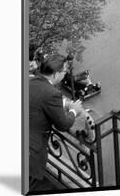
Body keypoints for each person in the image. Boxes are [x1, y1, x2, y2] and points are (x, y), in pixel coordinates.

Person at [29, 54, 83, 192]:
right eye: (64, 71)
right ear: (56, 74)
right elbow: (63, 125)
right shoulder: (51, 93)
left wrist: (63, 103)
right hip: (30, 158)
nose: (65, 74)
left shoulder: (31, 81)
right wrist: (74, 111)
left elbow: (40, 98)